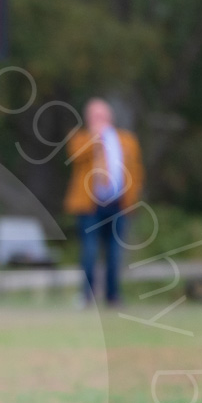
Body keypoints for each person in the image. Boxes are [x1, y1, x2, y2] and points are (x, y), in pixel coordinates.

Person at [64, 98, 144, 306]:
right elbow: (75, 155)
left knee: (115, 253)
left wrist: (132, 199)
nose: (98, 119)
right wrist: (95, 139)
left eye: (101, 115)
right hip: (89, 206)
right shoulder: (81, 139)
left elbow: (135, 172)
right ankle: (86, 295)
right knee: (89, 252)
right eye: (94, 116)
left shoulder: (126, 140)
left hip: (117, 204)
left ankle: (112, 295)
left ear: (110, 117)